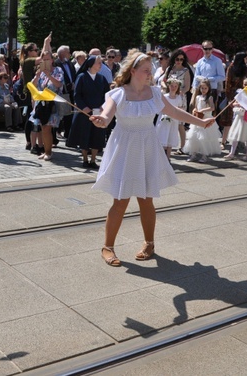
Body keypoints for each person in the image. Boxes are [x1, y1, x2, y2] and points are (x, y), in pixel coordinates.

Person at [89, 51, 215, 267]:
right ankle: (107, 247)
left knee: (147, 200)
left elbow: (175, 112)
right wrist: (101, 120)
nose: (150, 73)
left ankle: (149, 243)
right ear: (133, 71)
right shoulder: (117, 94)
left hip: (147, 146)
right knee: (120, 201)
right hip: (125, 148)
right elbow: (107, 115)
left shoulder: (155, 93)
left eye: (150, 70)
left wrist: (200, 122)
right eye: (146, 70)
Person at [67, 55, 110, 169]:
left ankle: (93, 160)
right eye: (98, 63)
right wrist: (83, 107)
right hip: (84, 112)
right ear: (91, 64)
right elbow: (77, 94)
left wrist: (103, 106)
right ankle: (85, 159)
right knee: (84, 135)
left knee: (97, 135)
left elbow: (107, 95)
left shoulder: (101, 78)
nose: (100, 65)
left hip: (98, 112)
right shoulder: (82, 77)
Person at [29, 37, 63, 161]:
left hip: (52, 103)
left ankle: (49, 152)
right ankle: (45, 150)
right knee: (43, 128)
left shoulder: (58, 70)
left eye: (48, 59)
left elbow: (59, 84)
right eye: (44, 59)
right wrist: (37, 75)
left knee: (47, 128)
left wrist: (49, 75)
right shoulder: (41, 71)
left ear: (52, 60)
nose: (46, 61)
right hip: (41, 103)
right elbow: (33, 85)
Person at [161, 49, 193, 152]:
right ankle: (166, 144)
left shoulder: (186, 70)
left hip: (180, 98)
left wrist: (179, 92)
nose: (179, 61)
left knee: (180, 123)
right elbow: (163, 81)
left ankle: (182, 146)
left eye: (181, 59)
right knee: (167, 120)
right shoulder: (170, 69)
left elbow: (187, 87)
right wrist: (166, 87)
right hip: (169, 97)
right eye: (177, 59)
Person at [223, 77, 247, 160]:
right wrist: (235, 104)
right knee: (235, 135)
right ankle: (231, 153)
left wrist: (240, 105)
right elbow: (235, 103)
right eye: (244, 84)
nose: (245, 86)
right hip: (240, 117)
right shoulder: (241, 93)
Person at [184, 78, 219, 162]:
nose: (203, 90)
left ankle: (204, 155)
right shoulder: (198, 97)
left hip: (206, 119)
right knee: (194, 137)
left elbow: (212, 108)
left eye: (205, 88)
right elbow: (196, 107)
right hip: (198, 119)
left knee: (204, 138)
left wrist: (203, 110)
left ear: (208, 88)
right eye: (202, 88)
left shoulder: (209, 97)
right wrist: (194, 110)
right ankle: (193, 154)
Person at [219, 52, 247, 149]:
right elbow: (227, 83)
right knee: (228, 120)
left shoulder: (245, 68)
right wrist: (229, 98)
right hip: (232, 94)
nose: (246, 60)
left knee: (241, 118)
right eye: (245, 58)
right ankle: (223, 142)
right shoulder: (231, 67)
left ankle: (240, 142)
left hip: (243, 94)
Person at [155, 77, 186, 160]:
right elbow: (160, 108)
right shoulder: (165, 96)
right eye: (172, 86)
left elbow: (179, 108)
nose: (173, 88)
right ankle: (161, 158)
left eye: (175, 86)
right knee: (163, 137)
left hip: (173, 120)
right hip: (164, 120)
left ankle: (168, 158)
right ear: (169, 86)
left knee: (170, 138)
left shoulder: (178, 98)